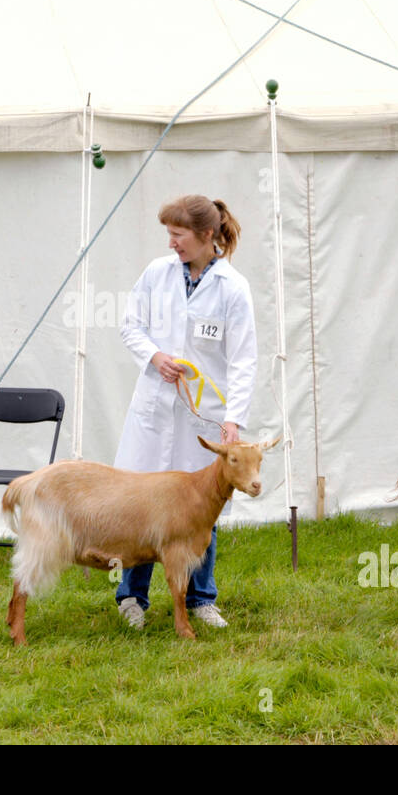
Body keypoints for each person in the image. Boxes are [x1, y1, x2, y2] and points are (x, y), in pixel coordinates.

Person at [113, 195, 258, 630]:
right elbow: (130, 325)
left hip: (203, 418)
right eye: (169, 235)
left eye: (178, 235)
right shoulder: (157, 274)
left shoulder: (233, 288)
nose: (172, 243)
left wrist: (232, 420)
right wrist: (156, 357)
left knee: (202, 507)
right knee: (142, 505)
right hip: (155, 409)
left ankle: (200, 599)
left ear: (207, 235)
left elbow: (243, 359)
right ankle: (132, 597)